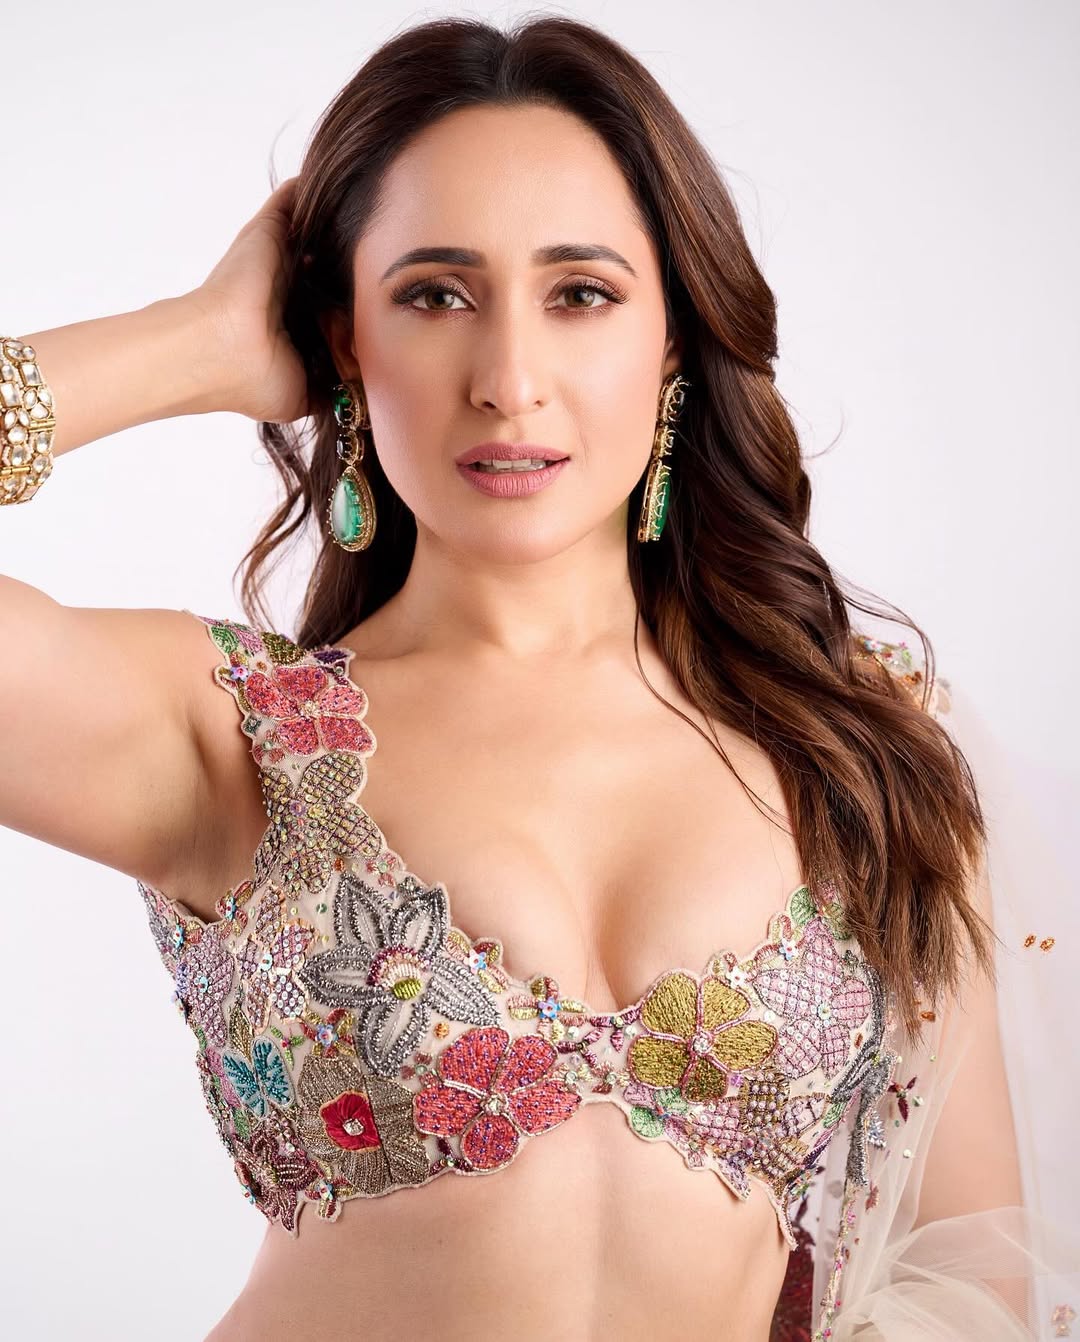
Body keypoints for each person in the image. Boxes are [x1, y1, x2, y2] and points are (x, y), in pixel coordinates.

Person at [2, 14, 1075, 1341]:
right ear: (344, 338)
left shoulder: (855, 742)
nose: (509, 381)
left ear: (673, 336)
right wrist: (200, 342)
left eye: (581, 294)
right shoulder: (232, 736)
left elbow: (975, 1272)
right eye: (435, 296)